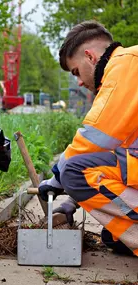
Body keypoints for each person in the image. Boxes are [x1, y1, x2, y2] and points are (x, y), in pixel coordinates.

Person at [39, 20, 138, 256]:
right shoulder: (126, 72)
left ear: (90, 57)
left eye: (76, 72)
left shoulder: (126, 65)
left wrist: (58, 178)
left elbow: (94, 141)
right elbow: (111, 153)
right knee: (115, 237)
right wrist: (74, 200)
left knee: (74, 171)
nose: (79, 82)